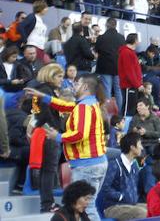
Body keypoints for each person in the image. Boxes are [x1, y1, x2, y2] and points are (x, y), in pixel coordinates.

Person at [27, 74, 107, 221]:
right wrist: (43, 97)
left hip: (87, 165)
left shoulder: (84, 107)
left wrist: (57, 136)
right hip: (94, 163)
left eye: (77, 84)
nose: (73, 86)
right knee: (88, 207)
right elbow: (65, 106)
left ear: (85, 87)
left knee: (86, 208)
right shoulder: (87, 103)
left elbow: (80, 134)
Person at [26, 64, 65, 213]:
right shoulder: (45, 92)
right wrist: (53, 130)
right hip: (49, 135)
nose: (62, 79)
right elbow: (42, 115)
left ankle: (46, 203)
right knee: (49, 171)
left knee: (46, 171)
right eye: (59, 76)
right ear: (51, 75)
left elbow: (35, 113)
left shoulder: (41, 90)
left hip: (44, 133)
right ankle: (48, 204)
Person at [99, 133, 147, 220]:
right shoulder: (114, 164)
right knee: (142, 213)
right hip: (113, 207)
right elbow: (105, 188)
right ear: (132, 147)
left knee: (153, 209)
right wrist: (120, 196)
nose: (142, 148)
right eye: (140, 144)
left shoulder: (134, 166)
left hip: (131, 205)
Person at [95, 17, 125, 110]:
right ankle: (118, 114)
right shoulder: (121, 37)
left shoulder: (101, 37)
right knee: (118, 91)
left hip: (105, 67)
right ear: (115, 25)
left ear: (106, 25)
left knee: (107, 90)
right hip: (118, 68)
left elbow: (97, 50)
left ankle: (108, 113)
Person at [118, 33, 144, 116]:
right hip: (129, 86)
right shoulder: (126, 52)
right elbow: (129, 71)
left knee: (132, 109)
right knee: (127, 109)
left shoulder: (130, 52)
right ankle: (124, 127)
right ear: (135, 41)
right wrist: (138, 85)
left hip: (133, 85)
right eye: (138, 40)